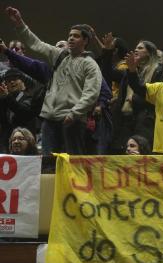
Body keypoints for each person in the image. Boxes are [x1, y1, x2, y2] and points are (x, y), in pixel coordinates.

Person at [6, 6, 102, 155]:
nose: (70, 38)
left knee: (71, 163)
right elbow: (37, 44)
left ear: (85, 40)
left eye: (76, 36)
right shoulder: (60, 55)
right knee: (47, 163)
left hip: (73, 121)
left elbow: (92, 94)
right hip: (50, 120)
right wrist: (20, 23)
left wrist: (74, 114)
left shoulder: (90, 64)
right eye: (70, 35)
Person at [101, 34, 162, 153]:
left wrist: (133, 99)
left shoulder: (158, 71)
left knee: (141, 155)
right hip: (125, 120)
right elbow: (108, 73)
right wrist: (108, 51)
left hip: (145, 121)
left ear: (149, 53)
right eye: (135, 48)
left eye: (140, 48)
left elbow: (155, 96)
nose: (135, 50)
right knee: (121, 154)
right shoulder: (129, 71)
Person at [0, 68, 42, 152]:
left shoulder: (30, 97)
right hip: (8, 144)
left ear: (23, 81)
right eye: (8, 80)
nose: (11, 82)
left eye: (15, 79)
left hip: (26, 144)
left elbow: (24, 113)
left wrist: (7, 97)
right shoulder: (5, 100)